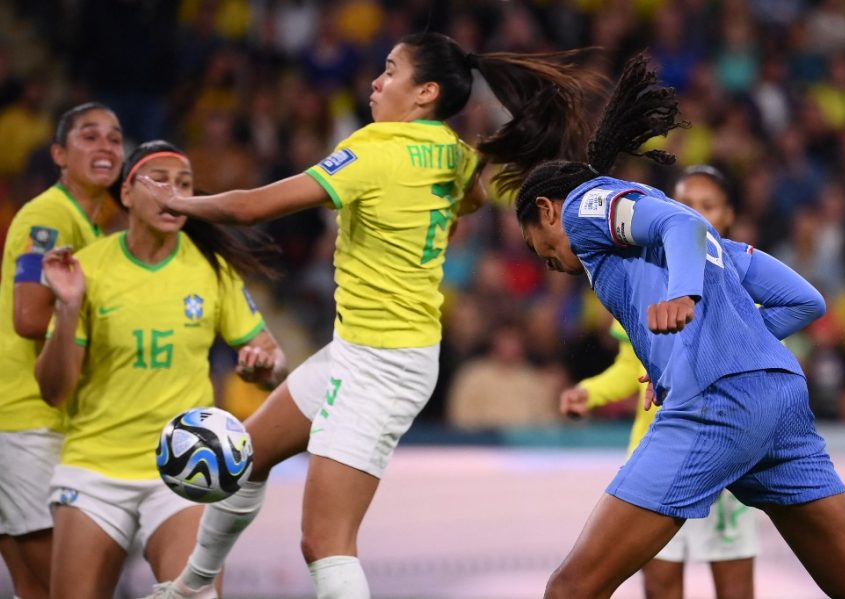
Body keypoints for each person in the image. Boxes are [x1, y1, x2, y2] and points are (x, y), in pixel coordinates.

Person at [140, 32, 610, 599]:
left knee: (324, 541)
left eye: (390, 71)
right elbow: (471, 200)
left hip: (381, 366)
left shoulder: (375, 148)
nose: (376, 82)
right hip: (365, 350)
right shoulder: (454, 154)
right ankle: (192, 587)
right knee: (246, 459)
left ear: (425, 92)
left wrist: (177, 203)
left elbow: (250, 206)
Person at [516, 52, 845, 599]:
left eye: (537, 245)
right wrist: (722, 346)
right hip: (778, 397)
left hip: (715, 404)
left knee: (571, 588)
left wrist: (684, 299)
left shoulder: (584, 206)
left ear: (546, 211)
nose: (546, 259)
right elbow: (805, 301)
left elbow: (679, 222)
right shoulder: (716, 243)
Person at [33, 141, 287, 599]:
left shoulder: (212, 269)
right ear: (127, 194)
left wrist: (263, 364)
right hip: (94, 470)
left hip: (184, 468)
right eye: (161, 181)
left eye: (185, 185)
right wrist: (69, 307)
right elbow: (54, 391)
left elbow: (273, 360)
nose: (175, 192)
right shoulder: (87, 268)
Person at [559, 165, 766, 599]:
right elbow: (628, 368)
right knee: (660, 588)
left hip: (725, 454)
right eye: (685, 205)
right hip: (657, 453)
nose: (695, 214)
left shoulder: (745, 276)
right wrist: (591, 392)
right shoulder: (642, 278)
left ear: (728, 216)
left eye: (707, 206)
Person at [0, 102, 124, 599]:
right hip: (28, 421)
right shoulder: (50, 217)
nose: (106, 146)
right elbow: (29, 317)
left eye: (115, 139)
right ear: (58, 154)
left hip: (29, 420)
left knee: (38, 591)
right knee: (73, 590)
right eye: (89, 137)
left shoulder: (89, 227)